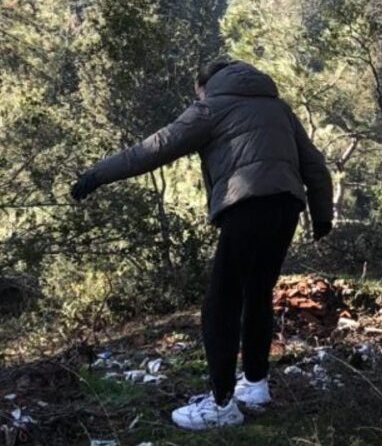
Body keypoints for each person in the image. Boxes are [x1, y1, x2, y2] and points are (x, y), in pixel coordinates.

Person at [70, 61, 334, 430]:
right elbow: (315, 165)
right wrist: (322, 215)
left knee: (221, 303)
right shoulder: (278, 108)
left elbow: (154, 148)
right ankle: (255, 385)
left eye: (197, 93)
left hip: (246, 204)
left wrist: (98, 174)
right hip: (287, 205)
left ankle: (222, 403)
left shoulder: (211, 106)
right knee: (257, 293)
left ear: (205, 86)